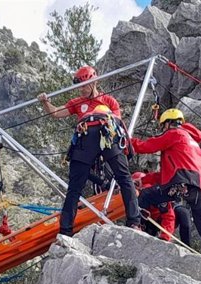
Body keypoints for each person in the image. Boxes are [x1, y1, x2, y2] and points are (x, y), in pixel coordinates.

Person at [37, 65, 141, 236]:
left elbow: (117, 120)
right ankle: (65, 231)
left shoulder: (109, 101)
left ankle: (134, 221)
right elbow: (56, 113)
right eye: (80, 86)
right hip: (86, 137)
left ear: (93, 82)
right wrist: (45, 102)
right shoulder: (77, 103)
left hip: (106, 134)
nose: (81, 89)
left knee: (124, 177)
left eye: (84, 85)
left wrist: (101, 113)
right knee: (75, 186)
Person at [130, 108, 201, 257]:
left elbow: (147, 146)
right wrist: (144, 179)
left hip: (184, 182)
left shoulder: (174, 134)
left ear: (167, 124)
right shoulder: (190, 140)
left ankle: (136, 226)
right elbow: (166, 175)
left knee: (145, 196)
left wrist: (128, 140)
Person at [131, 172, 176, 241]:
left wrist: (165, 237)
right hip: (143, 218)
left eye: (135, 184)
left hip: (152, 222)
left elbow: (168, 217)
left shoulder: (153, 194)